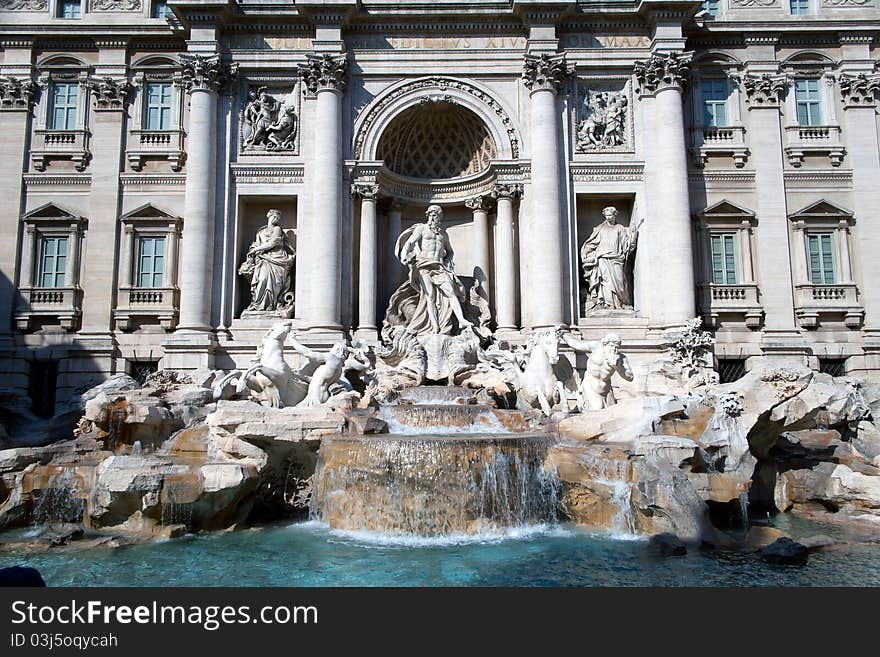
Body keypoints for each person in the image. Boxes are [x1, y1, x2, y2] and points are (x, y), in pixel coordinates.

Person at [394, 205, 472, 336]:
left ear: (440, 217)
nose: (432, 218)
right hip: (424, 265)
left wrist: (447, 262)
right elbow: (410, 242)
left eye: (435, 215)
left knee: (451, 292)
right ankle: (435, 327)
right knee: (430, 296)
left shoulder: (443, 234)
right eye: (430, 215)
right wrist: (404, 255)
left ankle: (461, 320)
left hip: (439, 267)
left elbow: (450, 252)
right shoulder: (422, 229)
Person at [580, 206, 639, 311]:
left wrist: (633, 235)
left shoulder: (620, 228)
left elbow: (627, 246)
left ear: (615, 215)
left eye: (610, 215)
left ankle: (621, 303)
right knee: (605, 282)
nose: (608, 217)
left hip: (617, 259)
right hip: (602, 257)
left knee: (619, 281)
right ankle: (608, 304)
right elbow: (592, 243)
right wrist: (586, 252)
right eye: (606, 215)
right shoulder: (600, 229)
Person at [239, 209, 295, 312]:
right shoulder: (261, 232)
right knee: (262, 279)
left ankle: (270, 306)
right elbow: (256, 244)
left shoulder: (277, 229)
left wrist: (256, 249)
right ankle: (257, 304)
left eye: (277, 218)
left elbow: (272, 243)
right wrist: (253, 251)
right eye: (274, 217)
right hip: (263, 260)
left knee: (275, 283)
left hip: (277, 259)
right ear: (268, 216)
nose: (275, 219)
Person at [562, 332, 634, 410]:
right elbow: (576, 344)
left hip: (606, 389)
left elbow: (630, 377)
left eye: (616, 347)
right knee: (597, 408)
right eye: (611, 346)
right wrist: (563, 335)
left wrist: (617, 367)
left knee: (611, 412)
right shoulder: (596, 347)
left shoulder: (620, 358)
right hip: (590, 384)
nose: (614, 349)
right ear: (605, 344)